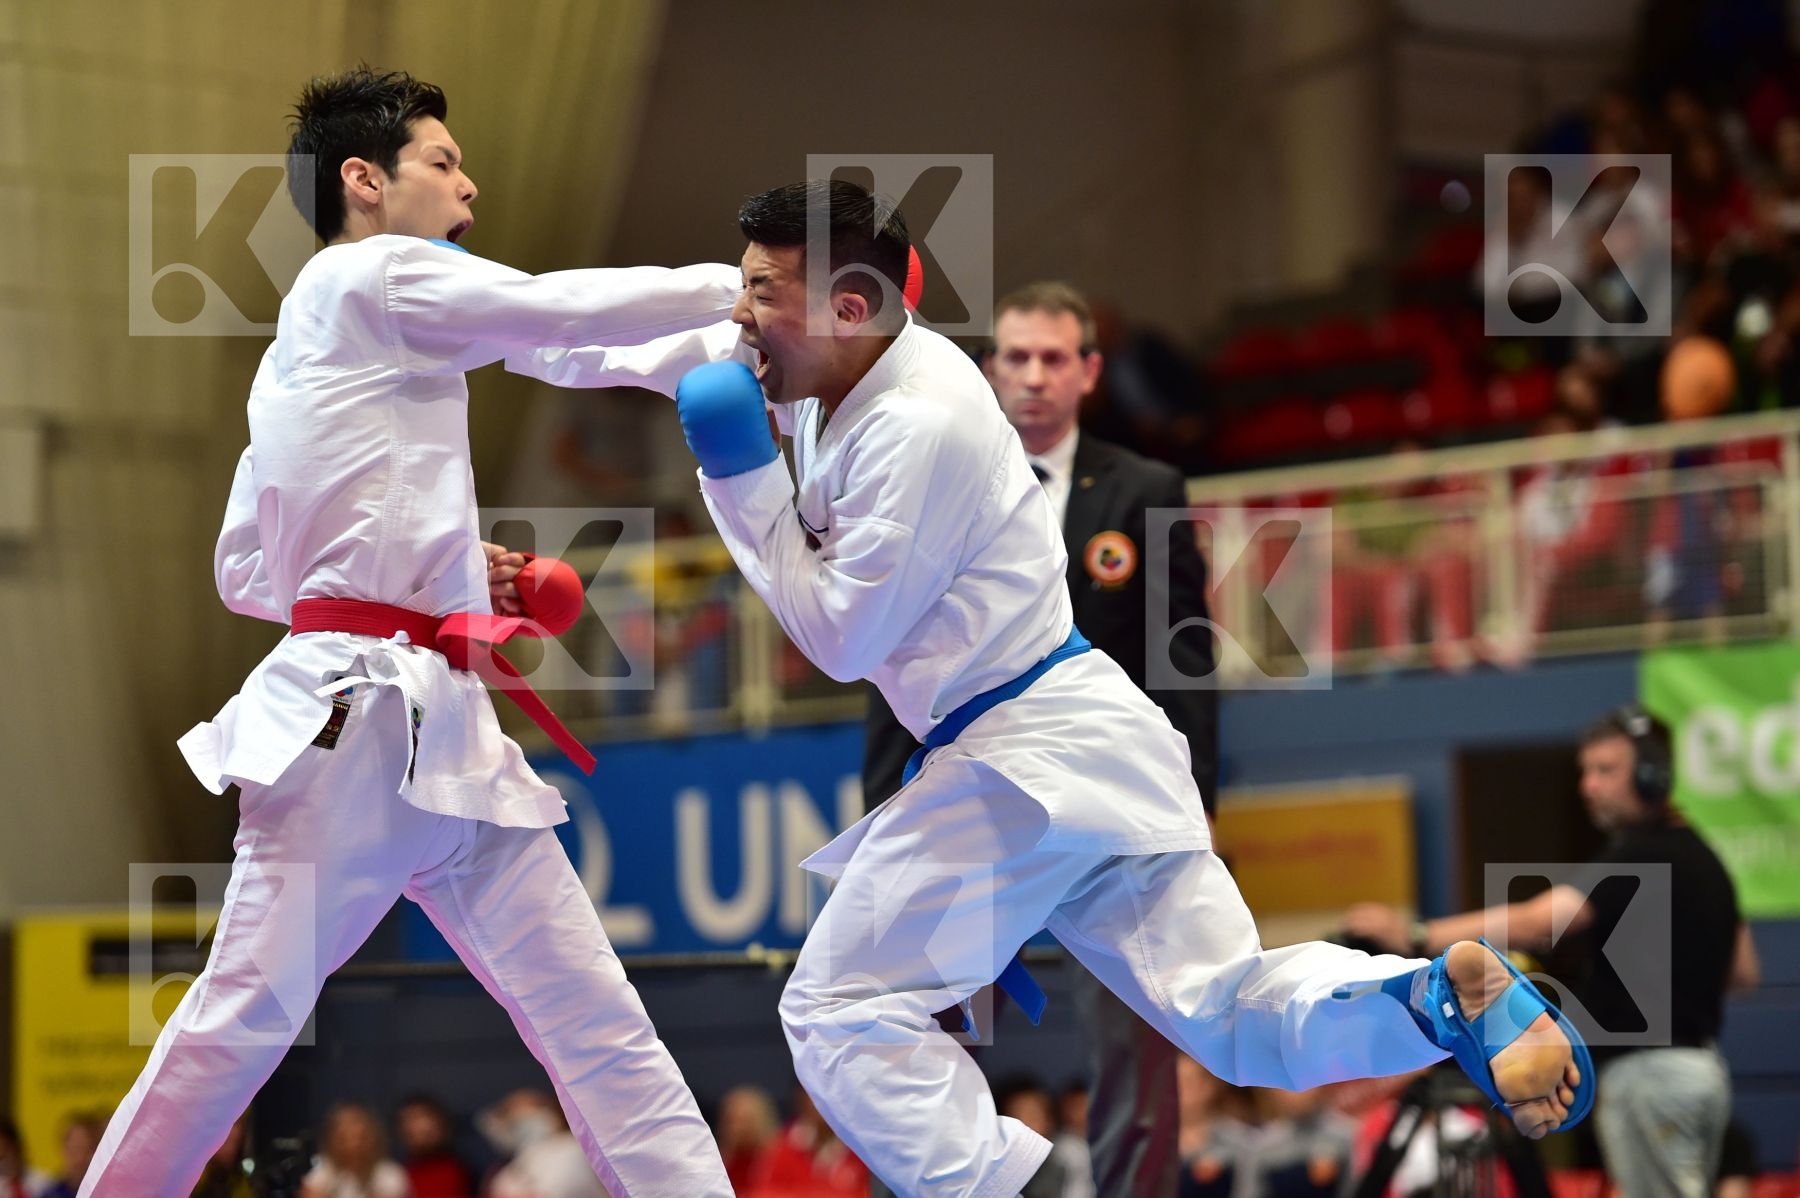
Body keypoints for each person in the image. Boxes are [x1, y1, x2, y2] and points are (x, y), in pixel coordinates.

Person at [509, 179, 1590, 1198]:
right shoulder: (814, 352)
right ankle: (1429, 998)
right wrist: (458, 329)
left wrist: (740, 484)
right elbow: (622, 331)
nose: (740, 315)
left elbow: (839, 639)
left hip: (1020, 754)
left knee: (838, 1007)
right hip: (1081, 743)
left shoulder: (917, 421)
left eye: (762, 292)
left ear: (850, 304)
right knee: (1227, 1011)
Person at [76, 67, 740, 1198]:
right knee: (240, 1018)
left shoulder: (315, 352)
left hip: (442, 735)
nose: (470, 183)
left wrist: (749, 356)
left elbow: (245, 570)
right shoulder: (368, 274)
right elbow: (560, 314)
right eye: (444, 161)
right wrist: (757, 287)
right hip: (356, 725)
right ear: (364, 181)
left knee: (592, 1018)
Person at [863, 279, 1216, 1197]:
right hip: (965, 804)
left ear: (1090, 372)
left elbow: (1185, 673)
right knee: (924, 1027)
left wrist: (1188, 815)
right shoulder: (933, 487)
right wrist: (883, 812)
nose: (1032, 378)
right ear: (988, 369)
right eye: (1014, 358)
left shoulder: (1146, 492)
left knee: (1135, 1043)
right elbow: (884, 660)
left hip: (1109, 809)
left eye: (1054, 358)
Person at [1345, 708, 1755, 1198]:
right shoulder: (1708, 861)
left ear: (1652, 777)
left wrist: (1416, 934)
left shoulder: (1639, 854)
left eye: (1606, 770)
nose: (1588, 786)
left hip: (1650, 1077)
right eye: (1585, 771)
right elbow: (1744, 972)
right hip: (1703, 1073)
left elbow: (1540, 922)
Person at [301, 1105, 408, 1198]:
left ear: (373, 1139)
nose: (353, 1144)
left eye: (360, 1137)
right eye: (343, 1138)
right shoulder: (322, 1173)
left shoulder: (389, 1174)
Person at [393, 1096, 473, 1198]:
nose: (414, 1127)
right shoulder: (398, 1174)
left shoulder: (466, 1168)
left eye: (421, 1117)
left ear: (440, 1123)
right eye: (407, 1120)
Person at [39, 1116, 102, 1198]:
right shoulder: (50, 1194)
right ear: (63, 1150)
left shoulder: (110, 1191)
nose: (80, 1159)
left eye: (86, 1150)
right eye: (74, 1151)